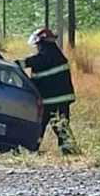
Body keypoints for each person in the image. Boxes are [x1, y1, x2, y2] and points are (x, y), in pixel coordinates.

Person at [16, 27, 77, 155]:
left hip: (50, 101)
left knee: (39, 127)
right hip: (60, 100)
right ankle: (70, 152)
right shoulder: (57, 56)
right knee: (61, 127)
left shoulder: (46, 57)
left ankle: (32, 149)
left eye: (38, 45)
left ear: (43, 44)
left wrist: (13, 65)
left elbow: (32, 62)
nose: (37, 48)